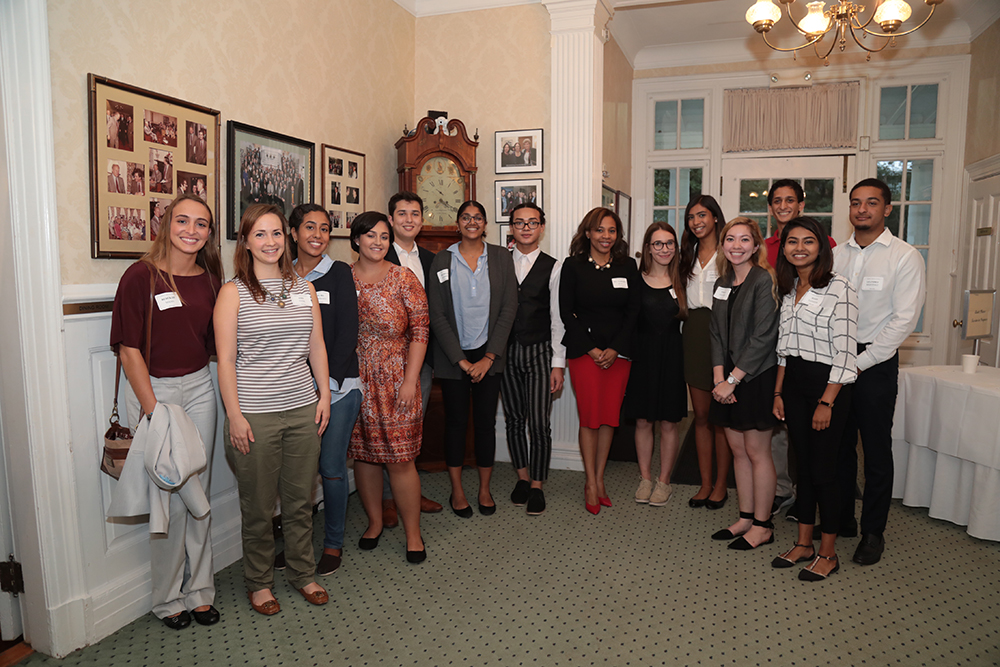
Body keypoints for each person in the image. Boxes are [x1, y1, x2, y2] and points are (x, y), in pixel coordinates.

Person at [109, 193, 224, 630]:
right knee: (169, 500)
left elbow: (219, 344)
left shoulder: (211, 279)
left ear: (209, 233)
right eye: (183, 221)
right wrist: (154, 410)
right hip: (156, 392)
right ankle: (167, 598)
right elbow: (128, 348)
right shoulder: (141, 275)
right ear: (166, 224)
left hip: (200, 388)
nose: (191, 231)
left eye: (201, 224)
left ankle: (200, 592)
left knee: (199, 495)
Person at [215, 204, 331, 616]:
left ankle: (303, 573)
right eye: (260, 234)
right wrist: (234, 415)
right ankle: (259, 582)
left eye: (277, 233)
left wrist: (324, 397)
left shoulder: (304, 289)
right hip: (255, 415)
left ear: (287, 238)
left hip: (302, 408)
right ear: (246, 241)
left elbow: (316, 346)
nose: (270, 242)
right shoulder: (233, 292)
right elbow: (225, 360)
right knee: (260, 507)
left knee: (301, 502)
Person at [833, 178, 925, 566]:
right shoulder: (836, 255)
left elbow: (903, 321)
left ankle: (873, 531)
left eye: (872, 203)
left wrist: (860, 362)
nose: (862, 210)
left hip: (875, 363)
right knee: (838, 447)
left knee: (875, 452)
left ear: (887, 209)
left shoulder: (904, 256)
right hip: (836, 359)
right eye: (856, 203)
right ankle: (843, 520)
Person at [772, 216, 858, 581]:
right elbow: (783, 350)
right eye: (793, 241)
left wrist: (827, 401)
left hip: (828, 388)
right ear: (784, 248)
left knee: (825, 472)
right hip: (793, 384)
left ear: (822, 247)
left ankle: (828, 552)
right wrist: (777, 392)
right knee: (802, 469)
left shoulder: (841, 289)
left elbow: (846, 353)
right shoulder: (789, 290)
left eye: (809, 241)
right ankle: (803, 543)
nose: (800, 248)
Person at [427, 201, 517, 518]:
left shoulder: (502, 258)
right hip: (455, 356)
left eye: (478, 217)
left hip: (489, 355)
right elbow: (436, 315)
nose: (472, 222)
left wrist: (489, 356)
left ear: (485, 224)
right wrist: (462, 361)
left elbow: (509, 308)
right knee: (454, 424)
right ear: (458, 223)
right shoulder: (442, 259)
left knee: (485, 424)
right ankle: (458, 490)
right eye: (466, 217)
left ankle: (483, 489)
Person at [349, 212, 429, 563]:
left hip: (399, 378)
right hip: (356, 379)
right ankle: (375, 522)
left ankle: (414, 535)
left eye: (384, 236)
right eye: (371, 236)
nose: (378, 242)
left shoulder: (403, 277)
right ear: (356, 240)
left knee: (400, 459)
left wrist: (410, 381)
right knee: (365, 456)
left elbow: (421, 330)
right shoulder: (343, 278)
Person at [289, 204, 360, 576]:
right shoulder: (281, 276)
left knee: (331, 468)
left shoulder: (339, 273)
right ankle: (294, 543)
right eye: (309, 227)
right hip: (292, 392)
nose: (317, 235)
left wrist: (325, 390)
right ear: (294, 233)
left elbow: (348, 334)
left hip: (338, 388)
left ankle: (332, 543)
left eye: (324, 228)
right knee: (296, 472)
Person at [763, 180, 837, 516]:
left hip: (818, 351)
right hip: (778, 347)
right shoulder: (763, 246)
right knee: (779, 425)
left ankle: (809, 495)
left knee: (811, 434)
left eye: (789, 200)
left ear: (801, 205)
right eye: (776, 200)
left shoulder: (824, 242)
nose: (782, 206)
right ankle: (783, 489)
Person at [560, 207, 639, 515]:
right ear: (588, 233)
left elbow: (633, 312)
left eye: (611, 231)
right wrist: (593, 349)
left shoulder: (627, 265)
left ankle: (601, 477)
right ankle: (590, 482)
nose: (606, 236)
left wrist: (615, 348)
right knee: (590, 417)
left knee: (609, 417)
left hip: (619, 355)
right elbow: (567, 313)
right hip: (584, 353)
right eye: (600, 230)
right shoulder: (573, 266)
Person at [708, 217, 780, 550]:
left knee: (757, 452)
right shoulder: (721, 282)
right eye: (730, 239)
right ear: (722, 245)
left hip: (754, 378)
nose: (736, 246)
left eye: (744, 240)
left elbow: (764, 337)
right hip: (727, 380)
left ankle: (764, 526)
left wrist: (734, 380)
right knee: (738, 451)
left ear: (755, 245)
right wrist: (718, 378)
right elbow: (715, 333)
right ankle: (746, 517)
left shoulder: (763, 280)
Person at [501, 203, 565, 516]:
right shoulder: (499, 263)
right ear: (511, 227)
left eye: (533, 222)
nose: (526, 227)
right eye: (519, 222)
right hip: (506, 352)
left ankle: (538, 485)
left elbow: (557, 318)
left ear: (542, 227)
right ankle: (522, 478)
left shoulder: (554, 267)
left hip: (540, 351)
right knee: (514, 420)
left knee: (539, 423)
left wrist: (558, 364)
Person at [384, 192, 443, 523]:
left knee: (410, 428)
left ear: (422, 219)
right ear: (391, 220)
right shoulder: (379, 253)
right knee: (383, 428)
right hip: (383, 359)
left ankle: (411, 491)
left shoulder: (434, 261)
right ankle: (387, 499)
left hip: (421, 359)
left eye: (415, 213)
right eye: (402, 213)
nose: (409, 219)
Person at [622, 221, 687, 507]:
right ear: (648, 248)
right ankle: (645, 478)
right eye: (658, 243)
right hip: (643, 357)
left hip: (673, 356)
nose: (664, 249)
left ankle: (664, 482)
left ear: (676, 247)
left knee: (670, 423)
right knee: (643, 420)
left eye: (669, 243)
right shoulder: (635, 280)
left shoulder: (684, 280)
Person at [678, 195, 731, 510]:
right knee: (700, 416)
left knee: (720, 418)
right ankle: (705, 483)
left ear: (714, 218)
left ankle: (722, 485)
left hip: (722, 333)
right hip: (693, 334)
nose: (696, 222)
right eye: (691, 217)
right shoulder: (687, 254)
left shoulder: (729, 251)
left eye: (702, 215)